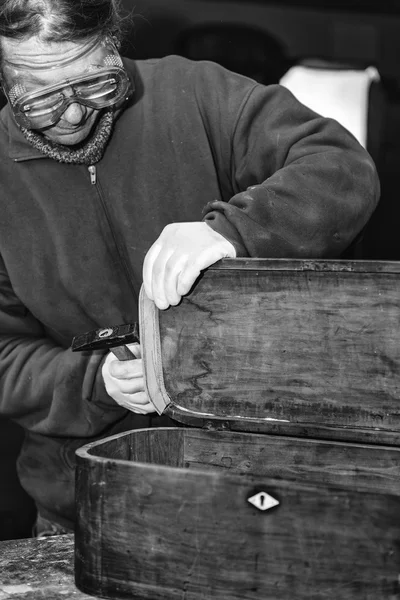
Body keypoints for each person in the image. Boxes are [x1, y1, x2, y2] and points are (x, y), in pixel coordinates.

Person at [0, 0, 379, 536]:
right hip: (85, 500)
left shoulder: (196, 94)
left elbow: (341, 169)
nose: (73, 114)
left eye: (93, 84)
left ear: (113, 44)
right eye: (39, 99)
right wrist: (94, 382)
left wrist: (233, 231)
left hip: (247, 483)